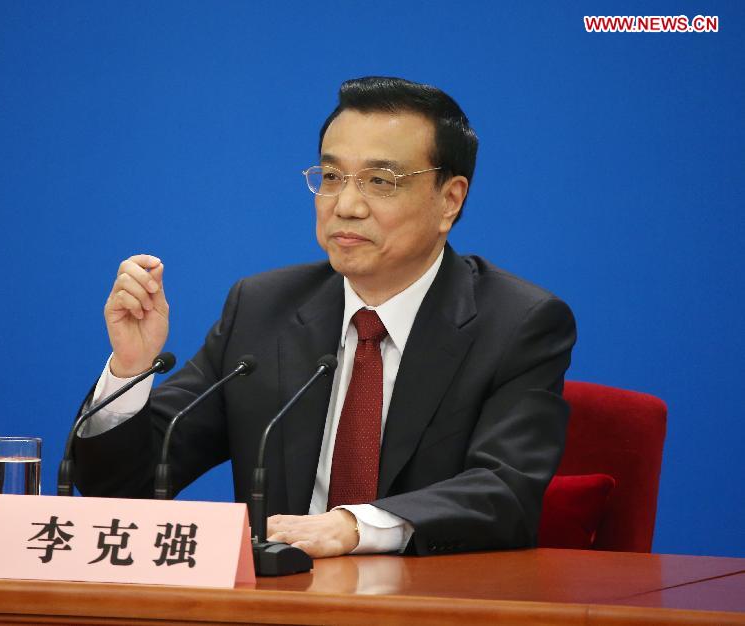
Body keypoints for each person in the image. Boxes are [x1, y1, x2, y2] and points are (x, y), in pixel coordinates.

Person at [73, 76, 577, 559]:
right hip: (275, 607)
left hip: (428, 604)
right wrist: (130, 370)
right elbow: (123, 486)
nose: (346, 205)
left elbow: (504, 491)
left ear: (450, 200)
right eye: (332, 177)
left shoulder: (518, 323)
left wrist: (355, 527)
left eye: (380, 181)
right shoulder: (263, 308)